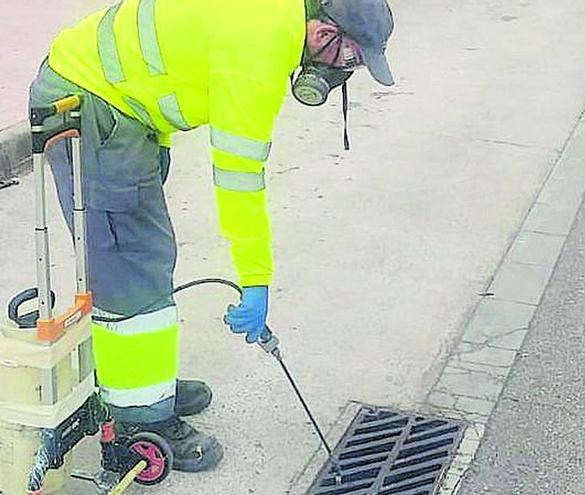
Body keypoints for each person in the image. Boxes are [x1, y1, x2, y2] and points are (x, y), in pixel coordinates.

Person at [28, 0, 394, 472]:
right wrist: (256, 277)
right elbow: (239, 175)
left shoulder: (281, 18)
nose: (346, 72)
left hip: (118, 103)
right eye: (351, 59)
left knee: (145, 253)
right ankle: (139, 418)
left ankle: (146, 385)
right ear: (324, 33)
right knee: (129, 260)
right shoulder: (262, 47)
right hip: (88, 98)